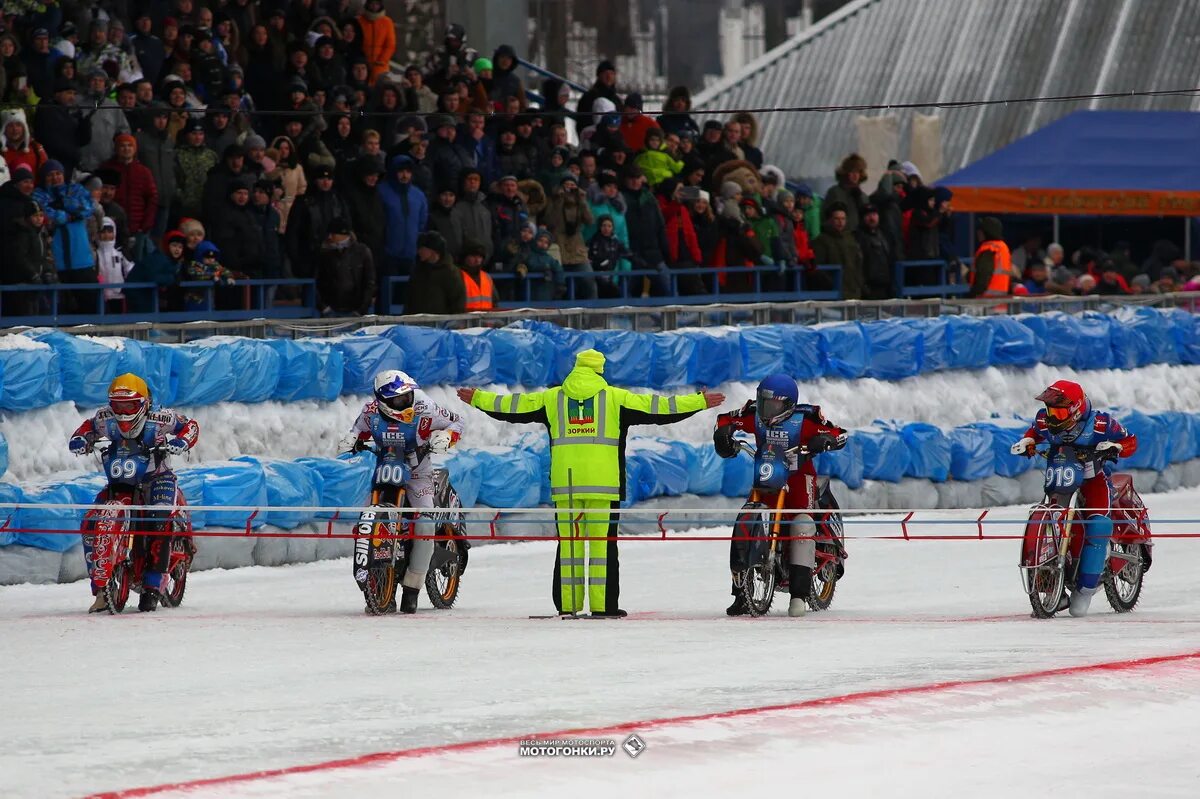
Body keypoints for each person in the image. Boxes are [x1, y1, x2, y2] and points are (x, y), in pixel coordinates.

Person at [457, 350, 723, 617]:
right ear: (600, 371)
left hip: (566, 484)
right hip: (603, 485)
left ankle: (568, 606)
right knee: (602, 546)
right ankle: (602, 606)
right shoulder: (615, 398)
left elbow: (513, 407)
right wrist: (698, 402)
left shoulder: (554, 398)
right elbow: (661, 409)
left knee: (569, 546)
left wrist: (478, 398)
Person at [714, 374, 848, 617]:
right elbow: (725, 420)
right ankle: (741, 594)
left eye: (773, 405)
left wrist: (823, 440)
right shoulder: (752, 414)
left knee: (801, 524)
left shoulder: (806, 418)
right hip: (766, 475)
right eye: (763, 402)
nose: (766, 409)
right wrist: (723, 436)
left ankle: (799, 593)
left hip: (799, 478)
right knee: (747, 518)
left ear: (788, 405)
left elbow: (840, 434)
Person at [69, 373, 199, 613]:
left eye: (129, 405)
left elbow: (190, 425)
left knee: (160, 519)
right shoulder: (104, 418)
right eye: (118, 405)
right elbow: (86, 428)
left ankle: (155, 582)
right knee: (91, 521)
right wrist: (80, 439)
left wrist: (182, 442)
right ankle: (100, 588)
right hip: (119, 483)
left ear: (143, 403)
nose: (123, 411)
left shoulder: (161, 418)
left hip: (157, 477)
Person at [1010, 381, 1138, 617]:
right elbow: (1035, 433)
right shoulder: (1043, 420)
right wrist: (1028, 442)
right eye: (1050, 411)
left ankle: (1085, 590)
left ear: (1076, 409)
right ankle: (1052, 583)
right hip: (1060, 478)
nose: (1052, 417)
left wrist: (1115, 446)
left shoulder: (1101, 424)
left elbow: (1130, 441)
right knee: (1049, 515)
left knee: (1099, 524)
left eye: (1058, 411)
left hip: (1093, 479)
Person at [341, 370, 465, 613]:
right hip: (385, 467)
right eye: (398, 399)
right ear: (383, 401)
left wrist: (446, 437)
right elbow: (358, 430)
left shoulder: (426, 407)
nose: (405, 401)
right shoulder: (370, 412)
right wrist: (351, 439)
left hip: (419, 472)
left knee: (425, 523)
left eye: (407, 396)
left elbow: (457, 421)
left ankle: (412, 588)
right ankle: (377, 579)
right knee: (365, 516)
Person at [405, 231, 466, 315]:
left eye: (422, 248)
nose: (419, 252)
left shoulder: (450, 272)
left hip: (442, 325)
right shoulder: (418, 270)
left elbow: (458, 301)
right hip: (416, 324)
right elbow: (409, 300)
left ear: (432, 250)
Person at [969, 216, 1018, 299]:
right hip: (1001, 300)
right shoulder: (1003, 247)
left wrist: (972, 294)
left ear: (987, 232)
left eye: (980, 231)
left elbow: (983, 276)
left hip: (985, 301)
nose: (978, 233)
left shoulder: (989, 249)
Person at [459, 239, 497, 311]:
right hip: (465, 321)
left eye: (480, 257)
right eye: (473, 256)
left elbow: (495, 302)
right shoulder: (458, 276)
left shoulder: (487, 278)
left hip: (486, 320)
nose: (477, 260)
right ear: (465, 257)